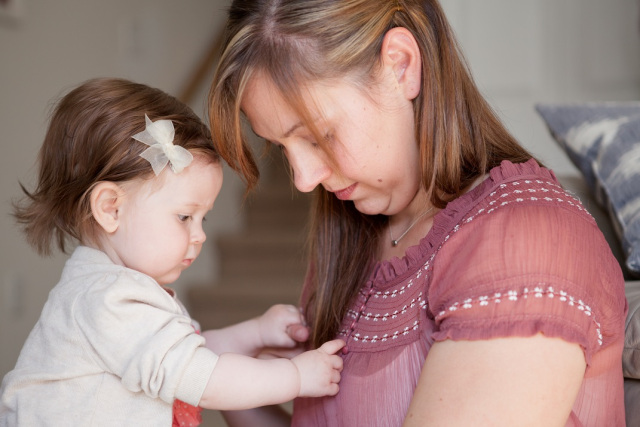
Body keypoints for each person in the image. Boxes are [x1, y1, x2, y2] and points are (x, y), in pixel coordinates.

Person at [207, 0, 628, 425]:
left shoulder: (524, 242)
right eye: (283, 147)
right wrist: (213, 376)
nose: (303, 178)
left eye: (319, 136)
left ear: (400, 65)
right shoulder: (355, 236)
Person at [0, 77, 344, 426]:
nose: (199, 236)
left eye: (203, 219)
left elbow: (187, 354)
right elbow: (202, 379)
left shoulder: (118, 292)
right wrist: (296, 377)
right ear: (110, 209)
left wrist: (255, 333)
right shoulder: (108, 300)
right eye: (184, 217)